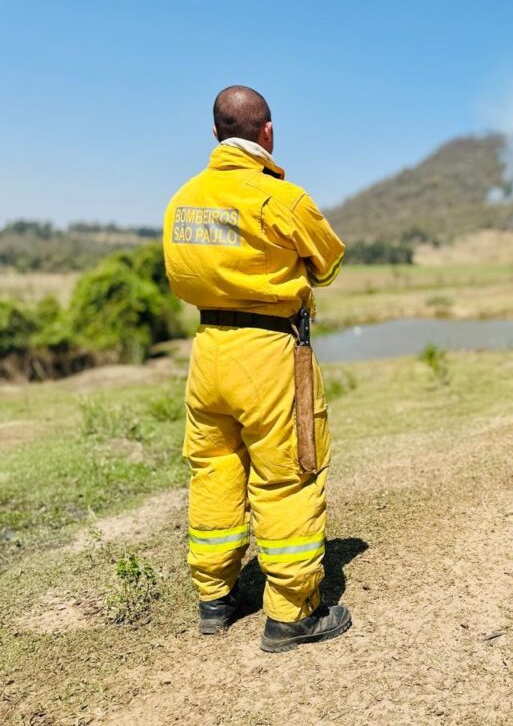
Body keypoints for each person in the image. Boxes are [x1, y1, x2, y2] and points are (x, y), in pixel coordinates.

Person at [162, 85, 349, 652]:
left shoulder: (183, 200)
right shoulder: (282, 199)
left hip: (209, 349)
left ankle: (215, 599)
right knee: (288, 472)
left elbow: (180, 276)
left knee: (214, 469)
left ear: (216, 135)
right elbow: (329, 264)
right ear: (266, 133)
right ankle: (292, 613)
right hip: (269, 353)